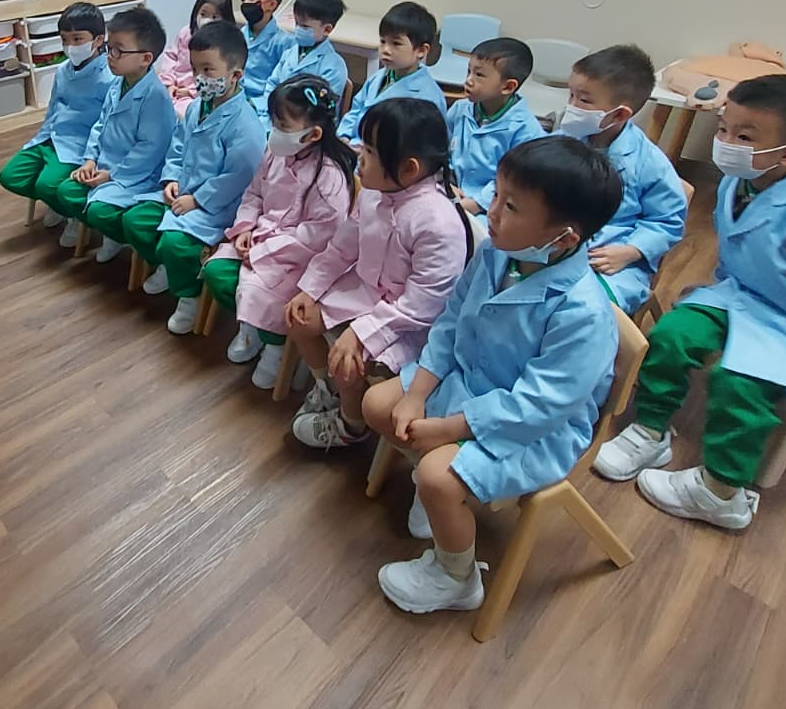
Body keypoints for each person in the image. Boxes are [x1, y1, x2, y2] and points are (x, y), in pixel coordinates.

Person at [594, 74, 786, 531]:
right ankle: (651, 429)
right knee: (670, 336)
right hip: (740, 297)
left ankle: (721, 492)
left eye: (744, 137)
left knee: (739, 383)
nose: (726, 143)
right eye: (723, 129)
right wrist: (708, 296)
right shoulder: (740, 183)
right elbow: (742, 253)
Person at [364, 136, 623, 615]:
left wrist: (446, 430)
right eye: (497, 195)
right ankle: (435, 484)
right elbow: (450, 322)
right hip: (471, 382)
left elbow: (538, 406)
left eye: (512, 206)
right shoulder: (497, 251)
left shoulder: (583, 314)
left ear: (563, 238)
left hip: (534, 429)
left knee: (438, 478)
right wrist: (417, 394)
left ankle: (456, 578)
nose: (493, 212)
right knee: (378, 405)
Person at [284, 98, 467, 450]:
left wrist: (360, 333)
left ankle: (350, 425)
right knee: (298, 317)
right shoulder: (374, 192)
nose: (359, 156)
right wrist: (309, 289)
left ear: (409, 169)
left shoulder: (438, 224)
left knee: (348, 362)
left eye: (369, 151)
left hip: (407, 324)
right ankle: (329, 391)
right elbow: (341, 248)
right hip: (364, 294)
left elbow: (421, 307)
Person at [202, 73, 357, 387]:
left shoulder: (329, 178)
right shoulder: (276, 152)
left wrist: (263, 249)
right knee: (217, 271)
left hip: (299, 259)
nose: (274, 132)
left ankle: (274, 347)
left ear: (313, 134)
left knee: (265, 294)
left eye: (283, 126)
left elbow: (316, 238)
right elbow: (254, 193)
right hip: (260, 237)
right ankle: (251, 330)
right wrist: (245, 228)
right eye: (274, 122)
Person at [119, 21, 265, 333]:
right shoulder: (198, 106)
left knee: (175, 243)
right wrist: (171, 179)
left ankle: (190, 296)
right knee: (134, 220)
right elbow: (177, 146)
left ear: (235, 75)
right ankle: (169, 266)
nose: (199, 78)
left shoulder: (246, 124)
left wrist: (197, 200)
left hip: (216, 208)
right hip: (182, 193)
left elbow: (237, 178)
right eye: (195, 69)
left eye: (208, 70)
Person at [558, 44, 687, 314]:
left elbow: (667, 220)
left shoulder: (649, 163)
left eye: (583, 100)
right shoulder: (562, 140)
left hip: (612, 259)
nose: (571, 106)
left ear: (619, 114)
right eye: (571, 95)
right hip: (557, 243)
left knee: (583, 310)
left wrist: (631, 251)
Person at [53, 6, 178, 263]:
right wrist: (89, 160)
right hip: (105, 165)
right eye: (109, 48)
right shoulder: (119, 82)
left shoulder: (155, 97)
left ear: (145, 58)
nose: (109, 56)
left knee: (99, 210)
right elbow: (100, 125)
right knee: (66, 191)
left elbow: (149, 150)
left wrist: (112, 175)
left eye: (118, 51)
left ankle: (120, 238)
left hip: (137, 175)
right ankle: (113, 233)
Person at [0, 1, 111, 247]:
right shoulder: (62, 71)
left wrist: (92, 157)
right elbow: (53, 109)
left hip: (79, 145)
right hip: (52, 137)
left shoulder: (109, 77)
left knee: (46, 184)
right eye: (65, 40)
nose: (70, 46)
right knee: (10, 176)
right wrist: (39, 138)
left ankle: (75, 217)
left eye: (78, 39)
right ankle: (57, 203)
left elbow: (106, 125)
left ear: (98, 40)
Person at [448, 37, 544, 213]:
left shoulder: (526, 131)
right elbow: (439, 147)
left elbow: (516, 180)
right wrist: (447, 182)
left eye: (479, 75)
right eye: (469, 71)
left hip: (493, 206)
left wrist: (477, 204)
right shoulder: (460, 109)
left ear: (507, 87)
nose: (468, 80)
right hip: (451, 190)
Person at [336, 1, 447, 146]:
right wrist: (344, 135)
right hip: (354, 147)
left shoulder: (428, 97)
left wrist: (368, 150)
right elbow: (356, 110)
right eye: (383, 41)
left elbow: (420, 146)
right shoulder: (378, 77)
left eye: (396, 44)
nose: (386, 50)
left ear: (421, 50)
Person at [254, 0, 349, 117]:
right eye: (297, 23)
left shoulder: (334, 66)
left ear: (327, 29)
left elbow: (323, 107)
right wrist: (266, 113)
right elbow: (272, 84)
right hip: (275, 116)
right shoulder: (290, 53)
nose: (298, 29)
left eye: (305, 26)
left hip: (307, 122)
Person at [155, 0, 235, 117]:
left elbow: (217, 79)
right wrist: (169, 83)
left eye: (214, 16)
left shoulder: (224, 44)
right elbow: (171, 57)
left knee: (186, 115)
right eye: (203, 14)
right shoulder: (186, 33)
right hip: (174, 88)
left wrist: (191, 91)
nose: (207, 20)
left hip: (199, 94)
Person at [238, 0, 288, 111]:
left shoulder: (284, 42)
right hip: (237, 99)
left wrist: (256, 104)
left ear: (271, 5)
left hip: (265, 106)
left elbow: (282, 84)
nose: (246, 3)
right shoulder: (239, 35)